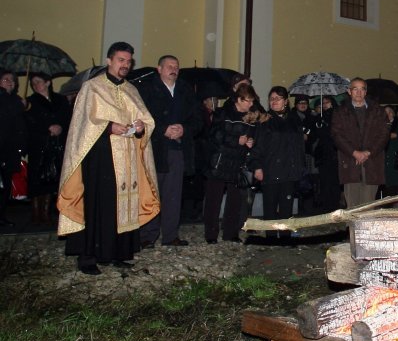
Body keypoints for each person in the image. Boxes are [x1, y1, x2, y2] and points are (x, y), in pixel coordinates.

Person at [57, 41, 159, 275]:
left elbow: (147, 119)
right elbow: (83, 124)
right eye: (121, 60)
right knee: (98, 205)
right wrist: (107, 127)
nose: (125, 65)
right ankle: (89, 256)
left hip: (128, 159)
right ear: (109, 61)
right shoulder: (92, 88)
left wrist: (142, 126)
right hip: (99, 158)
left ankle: (116, 253)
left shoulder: (131, 89)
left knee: (123, 206)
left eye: (128, 61)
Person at [135, 55, 201, 247]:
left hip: (177, 149)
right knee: (151, 193)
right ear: (159, 69)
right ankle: (148, 235)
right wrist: (162, 128)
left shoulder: (185, 90)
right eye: (169, 66)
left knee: (173, 194)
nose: (174, 69)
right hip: (154, 148)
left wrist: (184, 129)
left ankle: (170, 235)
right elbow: (141, 115)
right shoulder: (147, 89)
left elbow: (198, 119)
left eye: (176, 66)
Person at [203, 83, 260, 243]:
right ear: (238, 99)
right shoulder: (222, 113)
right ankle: (211, 234)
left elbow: (252, 135)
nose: (250, 104)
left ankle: (230, 233)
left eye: (252, 101)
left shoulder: (251, 116)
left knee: (235, 201)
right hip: (219, 162)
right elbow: (215, 135)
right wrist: (236, 140)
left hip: (238, 163)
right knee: (214, 200)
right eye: (247, 101)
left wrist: (250, 141)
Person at [248, 86, 305, 233]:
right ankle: (271, 238)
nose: (274, 101)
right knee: (270, 207)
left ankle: (285, 238)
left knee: (286, 207)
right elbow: (258, 145)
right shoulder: (265, 120)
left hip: (289, 169)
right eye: (271, 98)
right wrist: (257, 166)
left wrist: (300, 166)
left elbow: (299, 147)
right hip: (271, 168)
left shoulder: (294, 120)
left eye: (277, 98)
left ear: (285, 101)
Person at [331, 78, 390, 208]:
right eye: (355, 89)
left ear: (366, 91)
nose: (358, 92)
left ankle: (367, 229)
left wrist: (368, 152)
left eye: (362, 89)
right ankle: (353, 229)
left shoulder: (377, 111)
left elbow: (384, 135)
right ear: (349, 91)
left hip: (372, 163)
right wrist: (354, 153)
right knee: (352, 207)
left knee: (368, 207)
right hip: (350, 163)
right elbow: (337, 135)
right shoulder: (340, 111)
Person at [25, 72, 71, 224]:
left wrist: (60, 127)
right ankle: (35, 213)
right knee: (37, 177)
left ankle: (46, 212)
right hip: (39, 144)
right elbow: (30, 122)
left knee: (53, 177)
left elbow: (67, 118)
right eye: (33, 83)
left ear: (48, 82)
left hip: (57, 143)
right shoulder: (30, 101)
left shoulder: (61, 99)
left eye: (38, 82)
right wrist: (47, 128)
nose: (36, 85)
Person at [0, 69, 26, 226]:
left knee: (6, 184)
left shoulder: (15, 99)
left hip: (10, 149)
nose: (10, 82)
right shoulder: (6, 99)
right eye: (6, 79)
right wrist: (19, 105)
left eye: (12, 80)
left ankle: (2, 214)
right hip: (2, 147)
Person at [308, 95, 341, 212]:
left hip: (334, 153)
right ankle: (327, 205)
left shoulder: (337, 116)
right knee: (324, 181)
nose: (325, 104)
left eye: (327, 102)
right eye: (323, 103)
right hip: (323, 154)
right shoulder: (318, 118)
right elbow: (313, 134)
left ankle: (334, 205)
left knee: (334, 181)